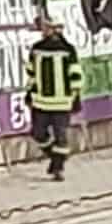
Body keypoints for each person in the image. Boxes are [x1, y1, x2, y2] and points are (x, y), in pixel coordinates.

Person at [28, 13, 80, 182]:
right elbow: (31, 73)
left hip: (62, 101)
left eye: (46, 27)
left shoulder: (68, 50)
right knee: (38, 133)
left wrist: (75, 96)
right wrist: (29, 93)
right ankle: (56, 157)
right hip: (41, 101)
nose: (43, 30)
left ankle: (58, 167)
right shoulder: (37, 49)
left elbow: (75, 75)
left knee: (60, 136)